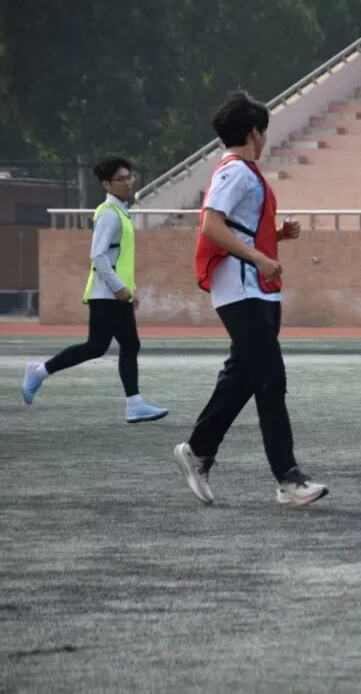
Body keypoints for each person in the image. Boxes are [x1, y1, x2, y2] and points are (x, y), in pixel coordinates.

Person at [172, 90, 329, 507]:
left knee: (243, 376)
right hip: (242, 290)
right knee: (270, 379)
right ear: (255, 132)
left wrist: (275, 237)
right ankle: (288, 478)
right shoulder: (236, 172)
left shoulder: (242, 172)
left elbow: (237, 228)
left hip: (254, 290)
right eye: (264, 131)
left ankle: (198, 451)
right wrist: (260, 257)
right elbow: (211, 225)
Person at [20, 156, 168, 423]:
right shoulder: (109, 214)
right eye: (120, 179)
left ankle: (133, 403)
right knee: (110, 345)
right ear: (106, 184)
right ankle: (39, 372)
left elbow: (119, 257)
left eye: (129, 177)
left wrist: (130, 290)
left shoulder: (120, 211)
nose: (128, 182)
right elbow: (98, 256)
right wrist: (119, 288)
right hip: (107, 295)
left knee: (109, 346)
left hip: (114, 295)